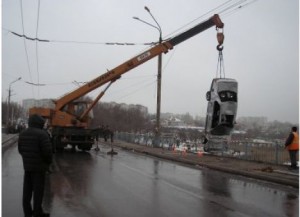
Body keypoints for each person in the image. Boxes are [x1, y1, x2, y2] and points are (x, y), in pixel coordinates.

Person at [18, 114, 53, 217]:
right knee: (38, 192)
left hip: (27, 168)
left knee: (27, 191)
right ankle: (38, 213)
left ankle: (27, 213)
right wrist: (48, 163)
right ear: (40, 123)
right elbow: (47, 152)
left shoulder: (23, 133)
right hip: (39, 168)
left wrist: (27, 160)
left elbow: (20, 150)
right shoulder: (42, 134)